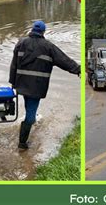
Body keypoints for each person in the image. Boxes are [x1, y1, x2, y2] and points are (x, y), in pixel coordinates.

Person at [9, 21, 80, 150]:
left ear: (32, 30)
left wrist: (12, 82)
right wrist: (78, 69)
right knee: (30, 115)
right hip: (36, 86)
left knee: (29, 107)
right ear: (43, 32)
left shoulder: (20, 43)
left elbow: (14, 64)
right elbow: (64, 60)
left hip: (21, 84)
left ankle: (31, 119)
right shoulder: (48, 47)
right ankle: (22, 142)